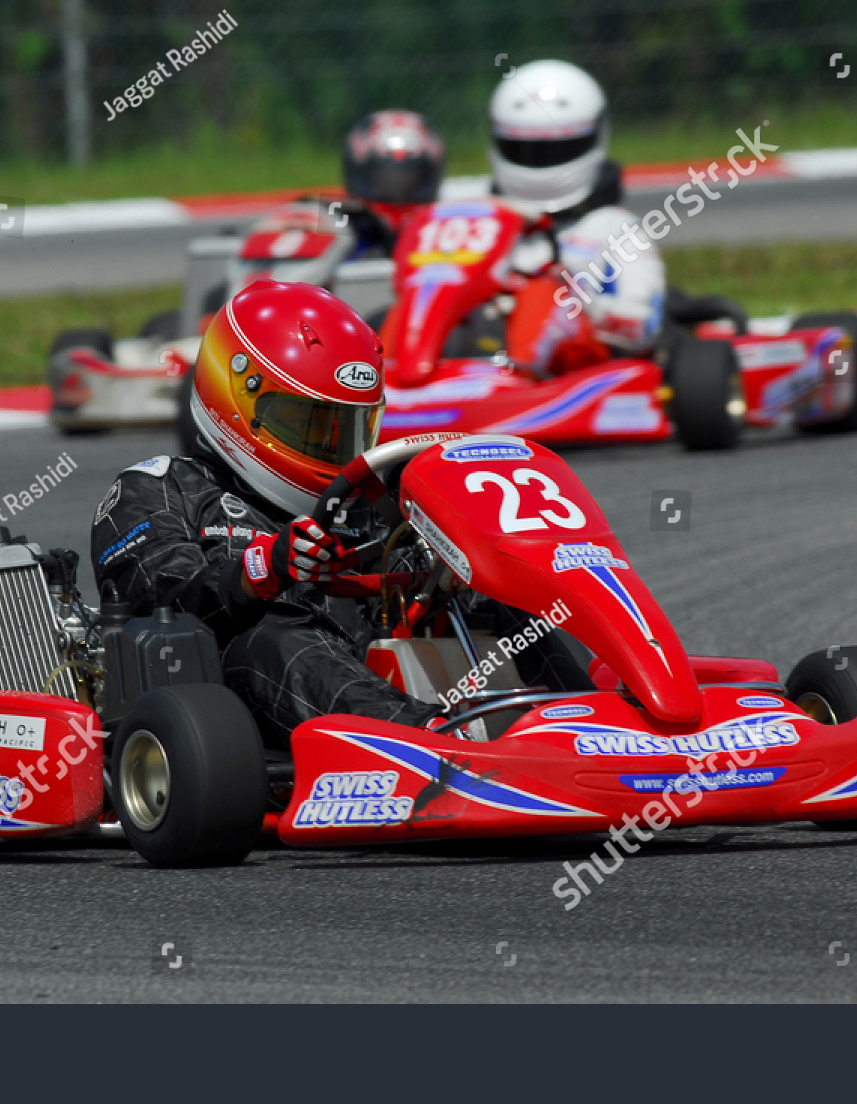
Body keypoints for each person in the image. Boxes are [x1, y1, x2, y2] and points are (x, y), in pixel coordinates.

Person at [91, 279, 589, 747]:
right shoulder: (158, 487)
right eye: (308, 425)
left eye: (345, 427)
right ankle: (426, 748)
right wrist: (262, 569)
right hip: (235, 710)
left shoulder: (373, 499)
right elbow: (163, 596)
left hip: (370, 663)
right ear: (239, 398)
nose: (330, 449)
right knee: (270, 637)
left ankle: (584, 720)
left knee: (491, 603)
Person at [488, 59, 666, 377]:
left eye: (555, 150)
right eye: (522, 150)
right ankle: (390, 379)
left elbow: (643, 325)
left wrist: (573, 302)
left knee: (541, 295)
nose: (539, 163)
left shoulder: (614, 227)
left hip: (578, 367)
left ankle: (515, 379)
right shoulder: (486, 225)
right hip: (482, 349)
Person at [337, 109, 447, 258]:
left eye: (407, 178)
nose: (396, 187)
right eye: (385, 178)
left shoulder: (441, 229)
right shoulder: (338, 221)